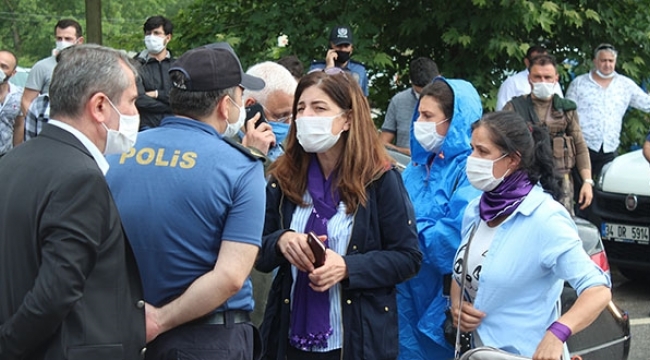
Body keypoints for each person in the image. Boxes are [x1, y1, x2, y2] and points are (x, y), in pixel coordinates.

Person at [106, 42, 266, 360]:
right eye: (239, 97)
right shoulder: (241, 167)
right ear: (225, 106)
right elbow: (231, 276)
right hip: (207, 340)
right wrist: (160, 321)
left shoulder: (118, 152)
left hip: (121, 330)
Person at [256, 69, 422, 360]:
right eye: (301, 109)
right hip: (289, 337)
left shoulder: (380, 179)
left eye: (319, 108)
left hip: (355, 340)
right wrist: (282, 241)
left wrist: (347, 267)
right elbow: (257, 248)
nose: (306, 117)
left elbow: (407, 258)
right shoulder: (284, 177)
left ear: (347, 118)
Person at [0, 44, 145, 360]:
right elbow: (55, 292)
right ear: (100, 107)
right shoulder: (81, 178)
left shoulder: (13, 161)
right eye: (132, 101)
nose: (136, 114)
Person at [450, 111, 611, 359]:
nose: (471, 159)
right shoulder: (476, 210)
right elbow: (464, 269)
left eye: (482, 152)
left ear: (513, 160)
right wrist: (458, 304)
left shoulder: (545, 218)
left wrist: (557, 334)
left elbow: (598, 290)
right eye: (472, 149)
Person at [396, 78, 483, 360]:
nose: (419, 122)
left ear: (454, 120)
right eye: (419, 114)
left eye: (428, 116)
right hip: (404, 298)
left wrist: (402, 230)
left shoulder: (471, 171)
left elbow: (451, 243)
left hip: (441, 304)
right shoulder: (417, 166)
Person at [503, 54, 593, 215]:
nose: (542, 81)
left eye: (547, 77)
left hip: (560, 180)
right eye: (537, 77)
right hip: (525, 179)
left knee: (561, 225)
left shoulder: (566, 109)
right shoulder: (515, 107)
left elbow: (579, 145)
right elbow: (500, 144)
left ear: (556, 79)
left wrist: (587, 181)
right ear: (529, 78)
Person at [566, 43, 650, 176]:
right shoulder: (579, 83)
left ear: (615, 62)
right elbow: (567, 113)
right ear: (595, 61)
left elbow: (647, 104)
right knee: (581, 190)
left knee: (606, 191)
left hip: (610, 148)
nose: (607, 64)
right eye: (603, 60)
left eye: (611, 61)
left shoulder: (625, 85)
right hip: (582, 146)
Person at [17, 19, 83, 144]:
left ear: (79, 41)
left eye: (68, 39)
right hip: (46, 131)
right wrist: (36, 123)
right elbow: (26, 100)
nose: (62, 42)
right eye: (59, 38)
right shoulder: (41, 67)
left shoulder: (87, 68)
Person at [380, 57, 439, 156]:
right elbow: (382, 144)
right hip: (404, 165)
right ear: (411, 81)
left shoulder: (451, 102)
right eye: (420, 93)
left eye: (429, 90)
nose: (425, 95)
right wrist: (406, 153)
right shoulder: (398, 100)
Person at [241, 61, 297, 163]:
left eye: (291, 115)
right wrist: (253, 154)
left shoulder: (289, 146)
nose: (288, 124)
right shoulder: (226, 151)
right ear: (250, 106)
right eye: (281, 116)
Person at [135, 15, 175, 130]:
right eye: (148, 33)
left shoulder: (178, 66)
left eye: (157, 33)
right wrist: (170, 106)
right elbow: (139, 99)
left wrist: (156, 94)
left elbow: (181, 97)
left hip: (173, 126)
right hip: (145, 127)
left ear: (168, 38)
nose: (151, 37)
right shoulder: (135, 65)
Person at [495, 45, 562, 111]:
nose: (541, 63)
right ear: (527, 62)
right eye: (536, 60)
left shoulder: (553, 82)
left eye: (545, 59)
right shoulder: (512, 83)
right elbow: (501, 114)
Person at [308, 25, 369, 96]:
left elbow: (363, 98)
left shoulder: (359, 70)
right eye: (339, 46)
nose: (342, 49)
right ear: (331, 46)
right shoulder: (316, 69)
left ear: (351, 48)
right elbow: (313, 94)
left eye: (346, 46)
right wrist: (329, 68)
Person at [0, 50, 24, 156]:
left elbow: (19, 125)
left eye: (4, 67)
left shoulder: (18, 96)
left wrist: (16, 154)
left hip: (5, 155)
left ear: (13, 73)